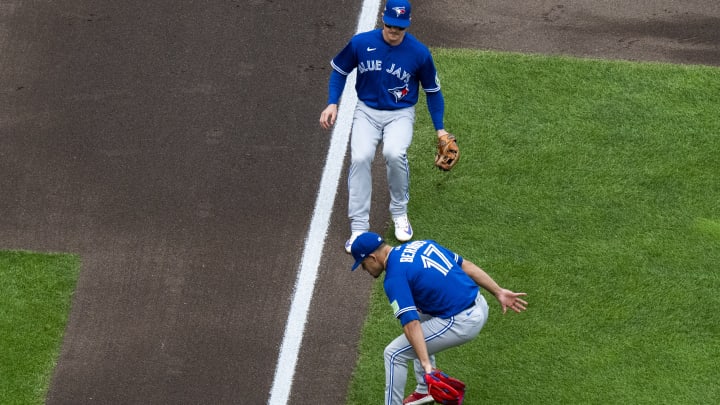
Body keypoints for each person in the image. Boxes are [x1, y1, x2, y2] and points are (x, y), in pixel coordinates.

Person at [319, 0, 452, 253]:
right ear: (383, 19)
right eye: (390, 26)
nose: (393, 32)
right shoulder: (361, 43)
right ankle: (359, 227)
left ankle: (399, 212)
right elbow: (339, 71)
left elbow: (433, 91)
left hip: (400, 113)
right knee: (360, 158)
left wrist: (440, 128)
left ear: (407, 25)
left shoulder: (419, 53)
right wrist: (332, 103)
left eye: (399, 28)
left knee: (394, 153)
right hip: (366, 111)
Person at [349, 232, 528, 405]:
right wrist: (498, 291)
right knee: (420, 316)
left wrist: (427, 365)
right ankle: (423, 390)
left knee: (394, 353)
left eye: (363, 264)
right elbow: (465, 265)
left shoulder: (394, 278)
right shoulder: (422, 244)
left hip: (461, 322)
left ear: (372, 257)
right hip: (480, 303)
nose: (365, 270)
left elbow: (411, 324)